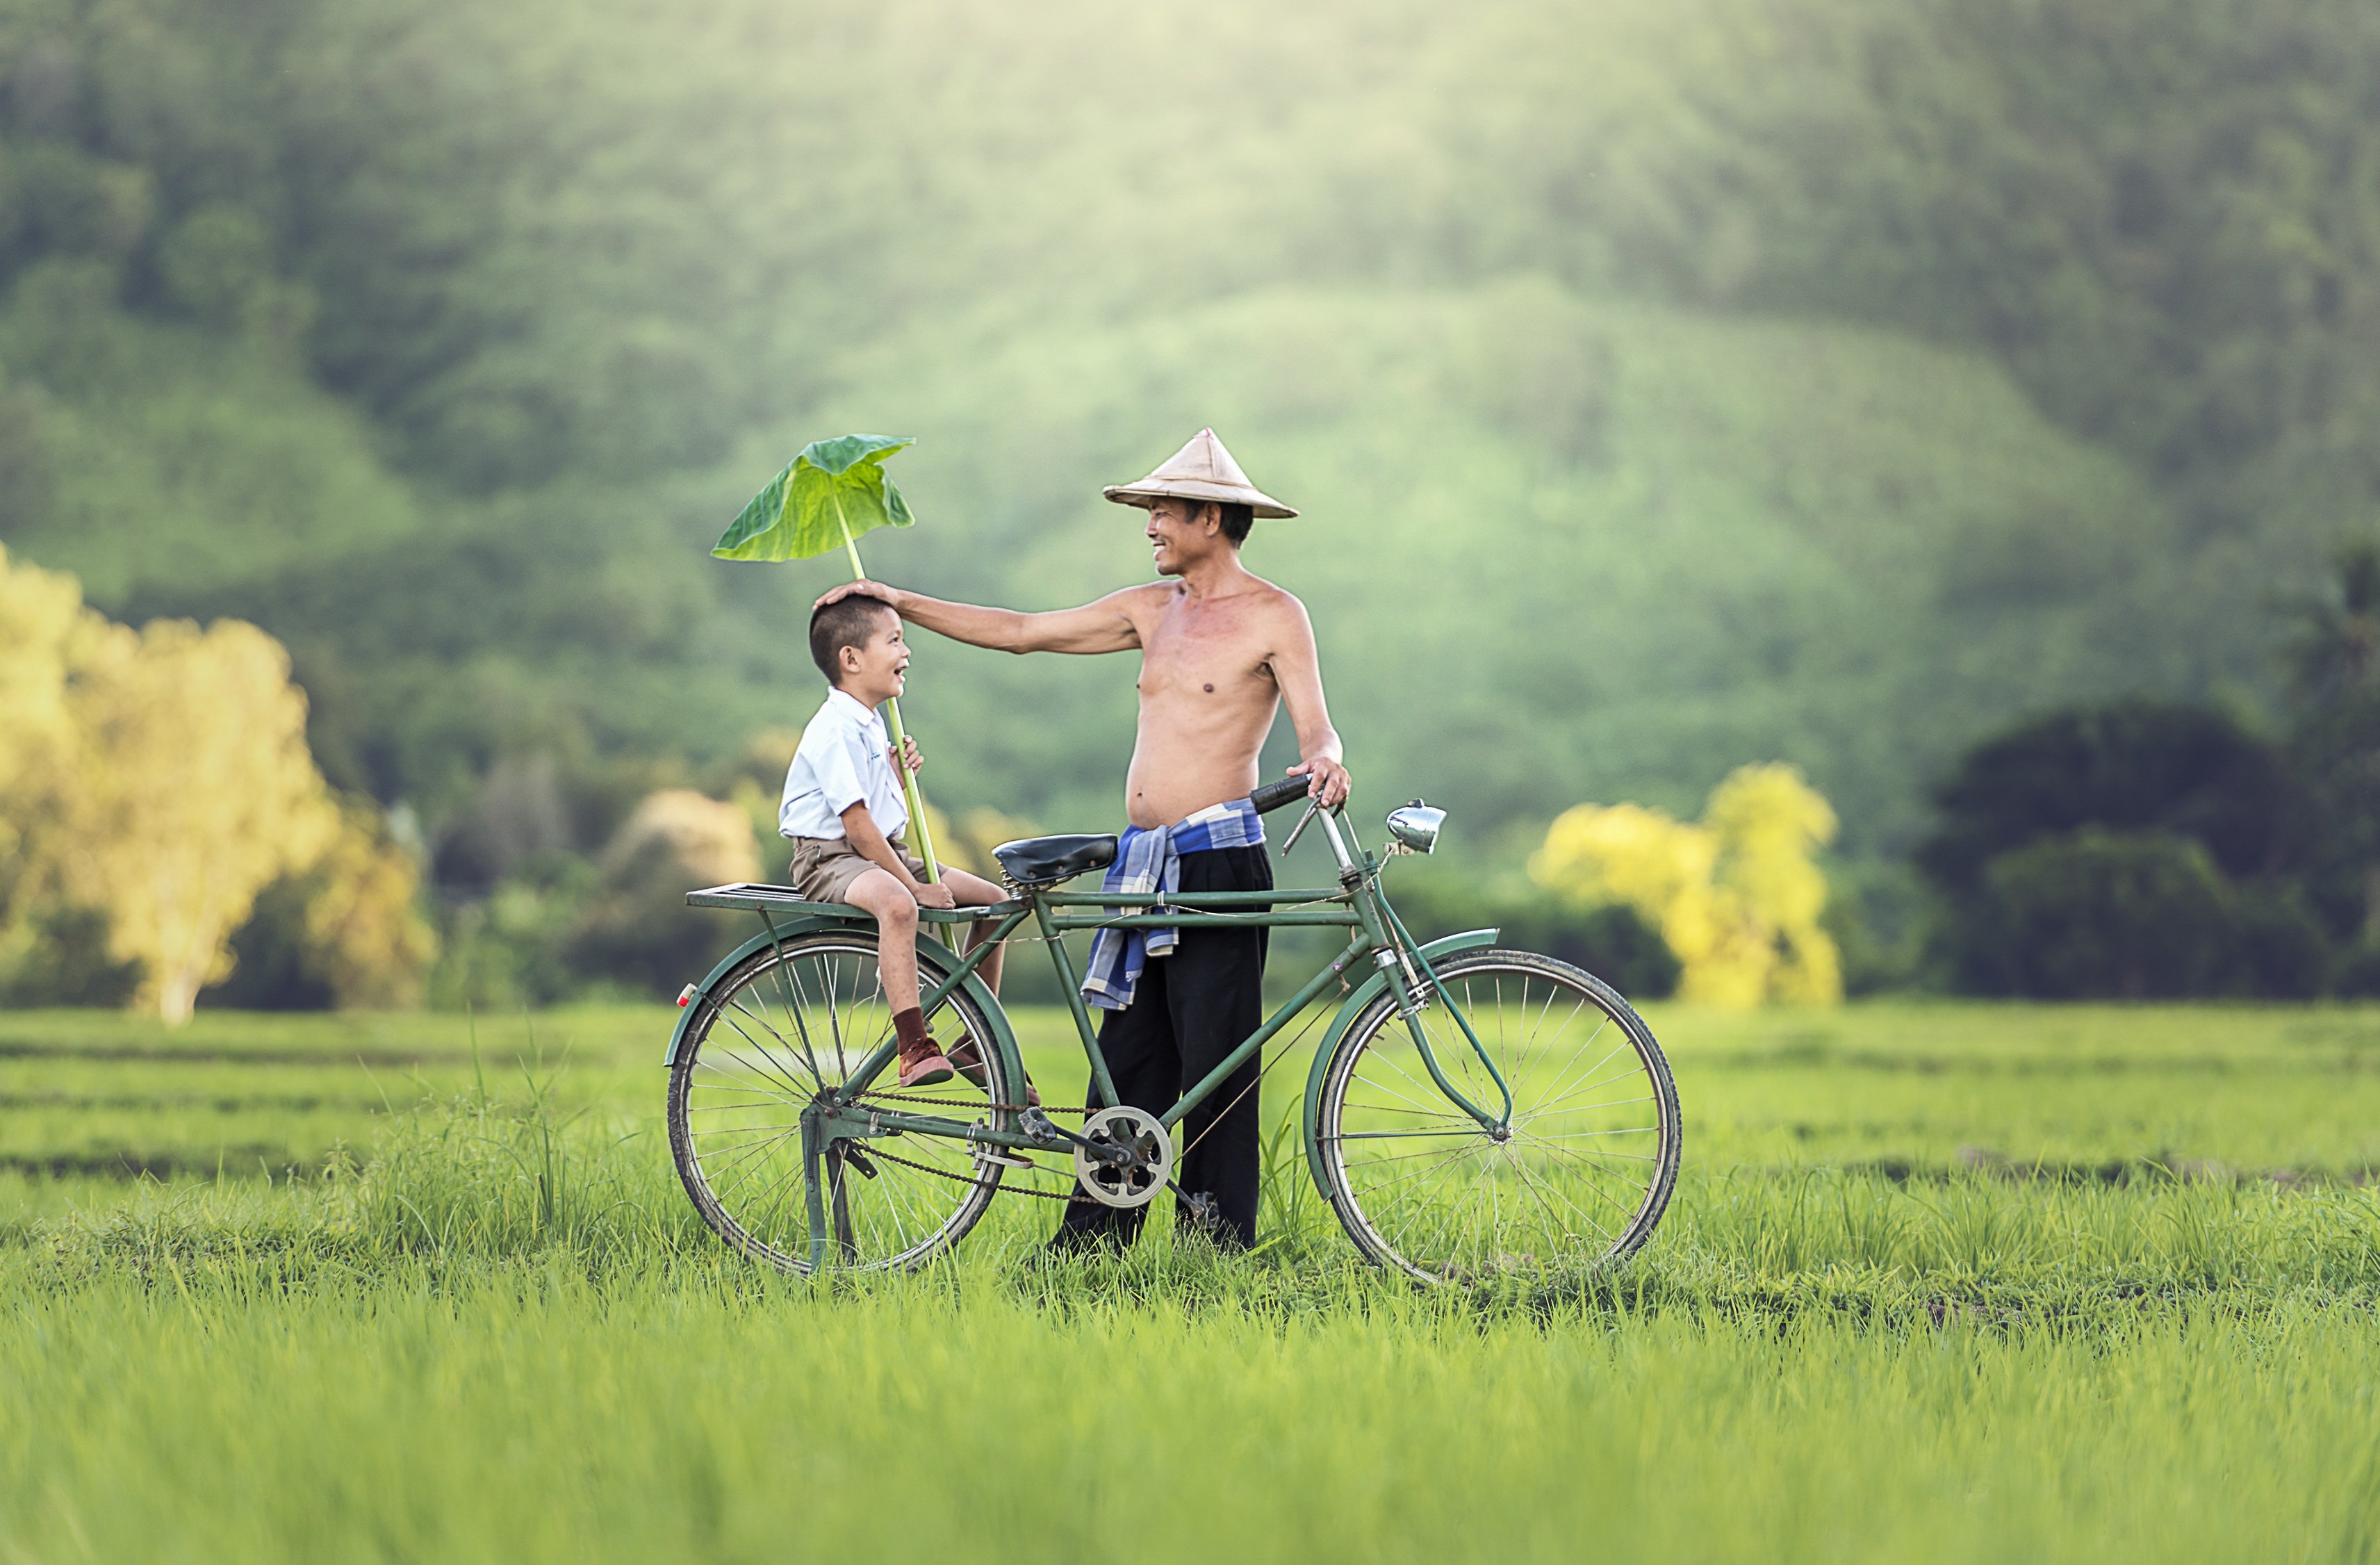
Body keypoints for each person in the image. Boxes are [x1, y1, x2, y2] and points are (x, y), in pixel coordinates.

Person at [817, 428, 1352, 1250]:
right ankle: (1090, 1248)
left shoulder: (1276, 615)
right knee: (1128, 1056)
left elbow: (1317, 729)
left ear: (1210, 517)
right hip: (1139, 862)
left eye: (1161, 511)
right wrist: (899, 601)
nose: (1149, 525)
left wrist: (1323, 761)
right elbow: (1024, 630)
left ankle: (1211, 1246)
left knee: (1215, 1059)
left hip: (1217, 859)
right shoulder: (1149, 609)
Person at [781, 593, 1012, 1089]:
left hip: (878, 853)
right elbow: (857, 825)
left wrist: (893, 776)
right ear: (851, 659)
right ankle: (913, 1044)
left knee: (996, 902)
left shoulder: (869, 721)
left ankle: (973, 1042)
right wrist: (912, 884)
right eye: (894, 640)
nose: (906, 652)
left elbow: (879, 817)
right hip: (829, 857)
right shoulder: (835, 728)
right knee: (900, 905)